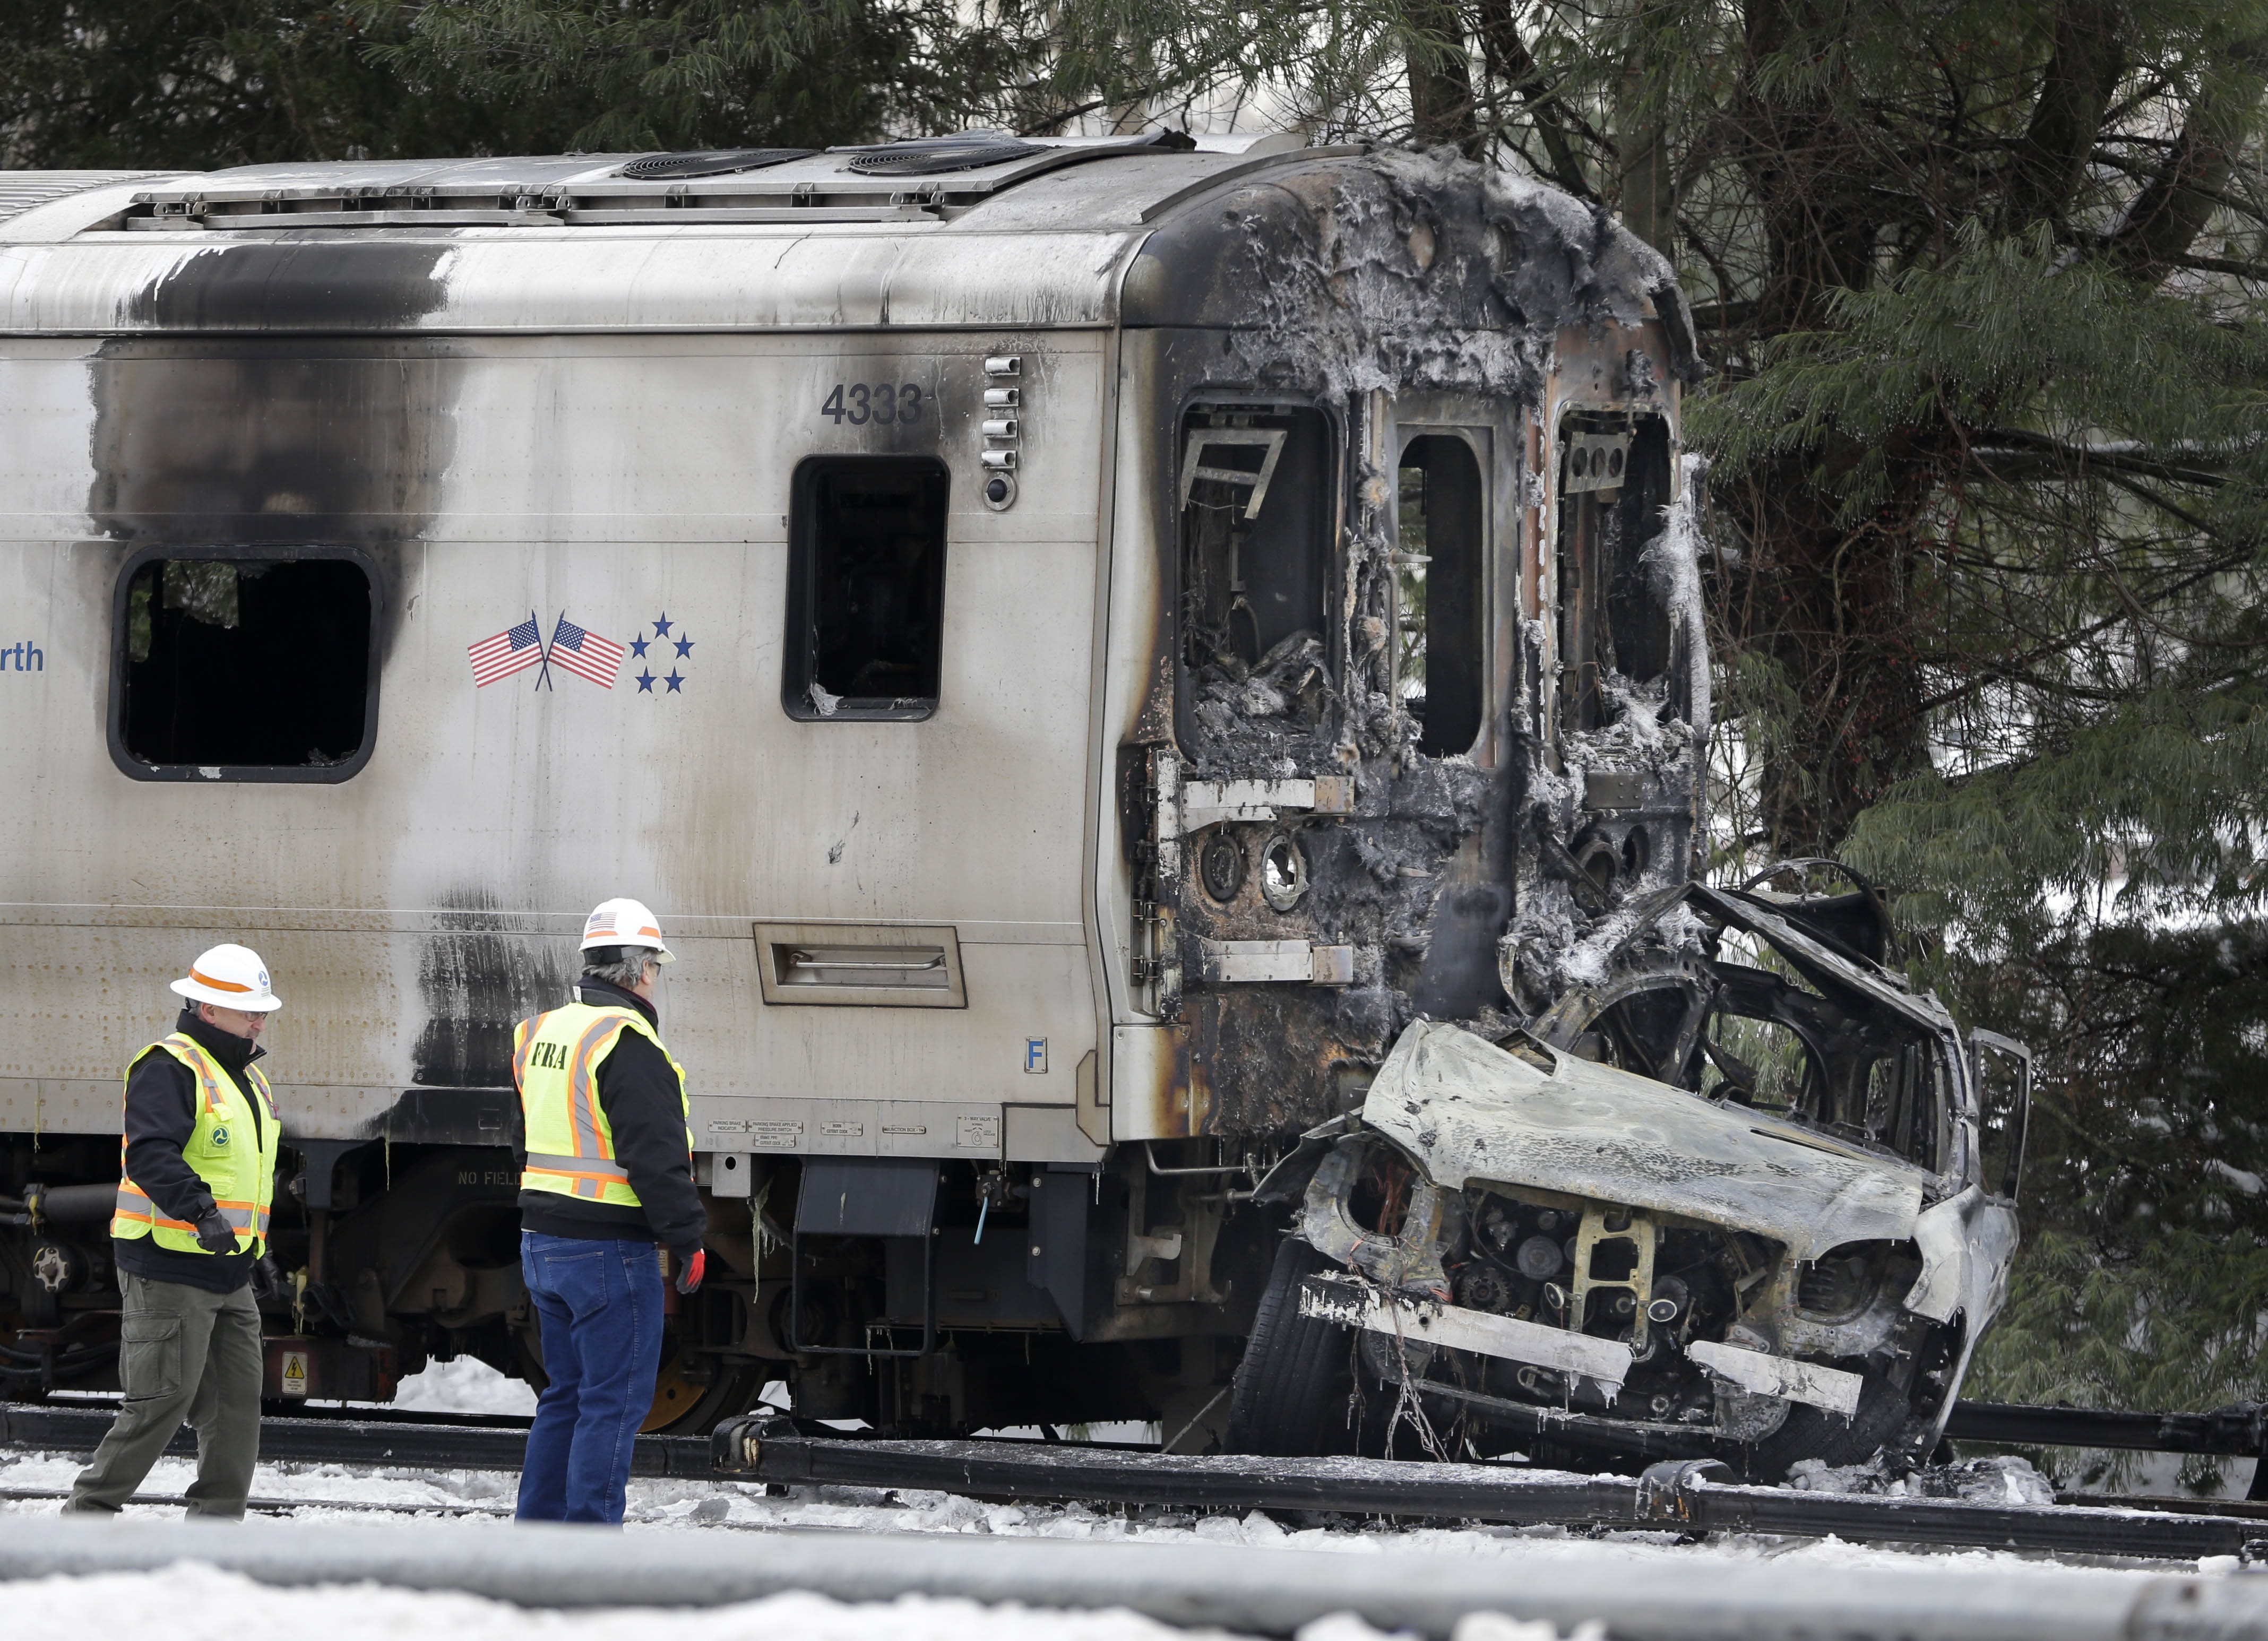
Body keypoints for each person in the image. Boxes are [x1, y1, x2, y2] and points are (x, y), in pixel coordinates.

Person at [65, 944, 283, 1518]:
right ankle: (84, 1519)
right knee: (161, 1402)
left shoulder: (247, 1077)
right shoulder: (169, 1066)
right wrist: (202, 1213)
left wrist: (254, 1247)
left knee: (236, 1407)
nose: (259, 1020)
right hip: (169, 1265)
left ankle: (214, 1533)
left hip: (228, 1268)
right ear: (208, 1009)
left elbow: (246, 1174)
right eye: (249, 1011)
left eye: (262, 1011)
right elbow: (152, 1154)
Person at [512, 896, 706, 1524]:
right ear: (642, 968)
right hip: (606, 1251)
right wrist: (688, 1237)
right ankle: (588, 1550)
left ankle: (539, 1536)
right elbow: (655, 1154)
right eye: (655, 965)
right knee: (613, 1401)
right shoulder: (627, 1041)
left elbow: (524, 1139)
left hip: (541, 1242)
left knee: (564, 1396)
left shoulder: (539, 1032)